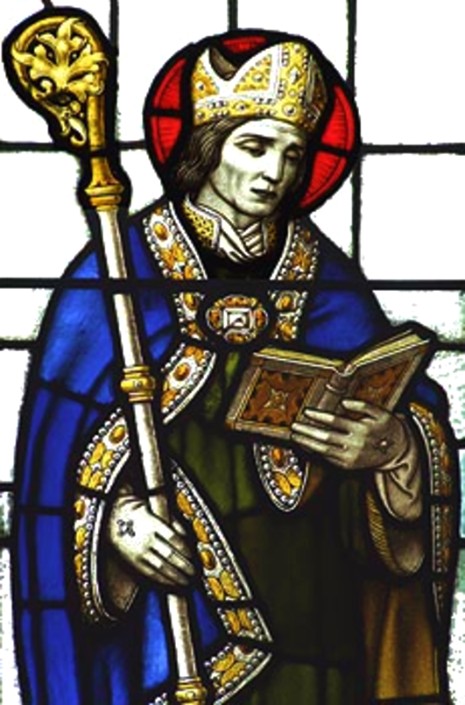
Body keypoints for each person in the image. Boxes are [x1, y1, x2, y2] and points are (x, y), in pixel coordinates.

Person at [13, 30, 458, 705]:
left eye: (292, 153)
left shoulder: (329, 284)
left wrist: (394, 450)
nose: (275, 171)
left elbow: (406, 426)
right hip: (177, 639)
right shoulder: (118, 274)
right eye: (253, 146)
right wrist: (116, 525)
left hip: (318, 632)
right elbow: (55, 464)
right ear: (206, 146)